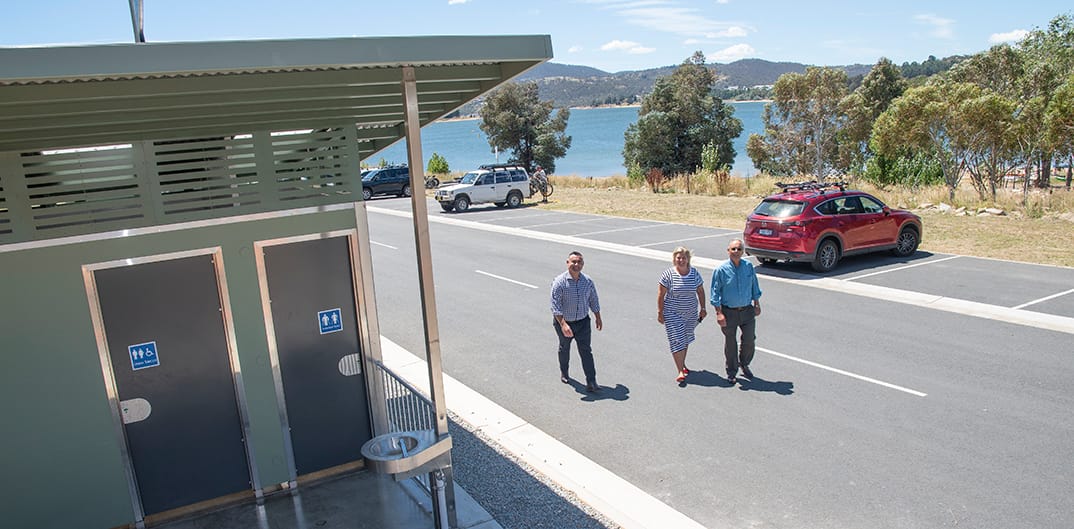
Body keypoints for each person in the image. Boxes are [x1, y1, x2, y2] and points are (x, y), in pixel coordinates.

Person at [710, 238, 762, 384]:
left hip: (747, 311)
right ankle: (732, 371)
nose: (736, 251)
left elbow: (754, 286)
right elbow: (715, 292)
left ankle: (744, 364)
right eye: (733, 249)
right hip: (729, 312)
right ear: (728, 251)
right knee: (730, 343)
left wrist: (757, 303)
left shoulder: (748, 267)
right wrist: (718, 313)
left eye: (739, 249)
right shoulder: (721, 270)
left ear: (743, 251)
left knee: (749, 340)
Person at [550, 251, 603, 392]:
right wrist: (563, 324)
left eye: (579, 262)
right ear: (567, 263)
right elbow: (555, 306)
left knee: (586, 351)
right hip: (564, 322)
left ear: (583, 264)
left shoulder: (587, 281)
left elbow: (593, 299)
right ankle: (564, 372)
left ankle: (591, 381)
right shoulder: (559, 282)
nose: (576, 265)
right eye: (573, 262)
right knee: (564, 348)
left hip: (583, 322)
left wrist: (598, 317)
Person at [657, 246, 707, 383]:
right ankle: (680, 370)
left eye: (683, 258)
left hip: (690, 313)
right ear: (674, 259)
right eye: (678, 258)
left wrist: (703, 308)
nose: (681, 260)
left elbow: (700, 291)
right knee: (676, 339)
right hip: (672, 313)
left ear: (688, 259)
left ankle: (682, 364)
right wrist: (660, 312)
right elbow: (661, 295)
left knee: (685, 338)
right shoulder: (668, 274)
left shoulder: (694, 273)